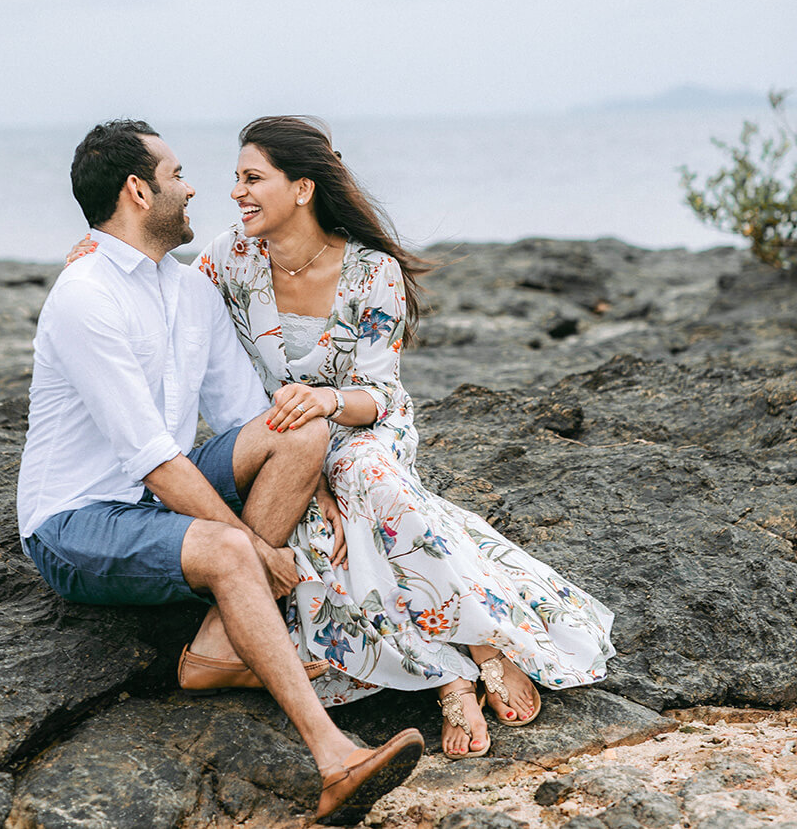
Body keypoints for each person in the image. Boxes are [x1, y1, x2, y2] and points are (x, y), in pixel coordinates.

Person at [18, 120, 424, 823]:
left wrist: (322, 489)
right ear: (139, 192)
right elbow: (151, 457)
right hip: (75, 519)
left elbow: (247, 415)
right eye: (176, 174)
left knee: (301, 431)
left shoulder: (189, 289)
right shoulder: (87, 296)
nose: (194, 185)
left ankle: (215, 643)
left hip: (151, 501)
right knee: (231, 547)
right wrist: (256, 548)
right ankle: (335, 760)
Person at [193, 115, 617, 760]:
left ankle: (480, 641)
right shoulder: (231, 257)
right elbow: (162, 290)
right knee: (319, 530)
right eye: (237, 179)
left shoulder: (373, 272)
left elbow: (380, 392)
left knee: (366, 478)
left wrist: (327, 400)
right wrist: (98, 250)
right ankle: (453, 674)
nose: (236, 193)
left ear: (301, 188)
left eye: (253, 179)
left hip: (363, 427)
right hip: (283, 446)